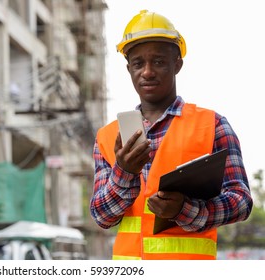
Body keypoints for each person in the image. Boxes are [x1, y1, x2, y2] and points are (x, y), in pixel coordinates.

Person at [90, 10, 253, 260]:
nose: (147, 72)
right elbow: (102, 217)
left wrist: (185, 210)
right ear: (128, 68)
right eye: (138, 63)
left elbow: (241, 202)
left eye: (158, 61)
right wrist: (124, 173)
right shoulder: (108, 136)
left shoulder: (213, 125)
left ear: (177, 63)